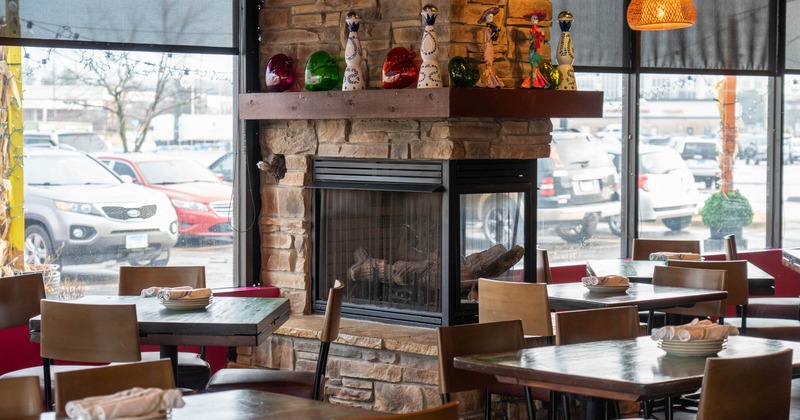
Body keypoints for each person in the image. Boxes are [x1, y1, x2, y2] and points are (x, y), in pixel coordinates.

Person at [521, 11, 550, 89]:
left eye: (536, 18)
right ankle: (534, 82)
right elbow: (530, 40)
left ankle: (535, 83)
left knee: (536, 66)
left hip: (538, 49)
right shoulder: (531, 31)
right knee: (534, 66)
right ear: (531, 20)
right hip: (533, 49)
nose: (535, 20)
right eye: (534, 18)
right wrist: (535, 35)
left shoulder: (539, 30)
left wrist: (542, 34)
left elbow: (541, 39)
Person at [477, 7, 504, 88]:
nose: (491, 18)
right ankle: (489, 81)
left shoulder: (490, 28)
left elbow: (491, 38)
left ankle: (490, 81)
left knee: (489, 64)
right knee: (488, 64)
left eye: (492, 17)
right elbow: (487, 39)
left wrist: (495, 32)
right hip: (487, 47)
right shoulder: (488, 29)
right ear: (486, 18)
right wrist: (493, 32)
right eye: (489, 17)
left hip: (490, 47)